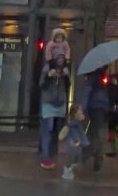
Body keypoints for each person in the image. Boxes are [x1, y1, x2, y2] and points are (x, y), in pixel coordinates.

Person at [38, 28, 72, 169]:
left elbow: (68, 86)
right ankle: (45, 157)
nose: (60, 61)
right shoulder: (47, 68)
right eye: (58, 58)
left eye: (62, 59)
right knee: (48, 128)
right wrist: (48, 76)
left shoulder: (65, 70)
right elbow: (41, 85)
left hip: (61, 103)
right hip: (48, 103)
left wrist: (66, 76)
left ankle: (52, 155)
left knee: (56, 131)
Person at [78, 69, 111, 173]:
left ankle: (92, 155)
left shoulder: (91, 79)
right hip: (101, 108)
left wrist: (81, 110)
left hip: (93, 108)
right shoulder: (102, 79)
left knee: (92, 133)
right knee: (94, 132)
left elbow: (86, 95)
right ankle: (94, 155)